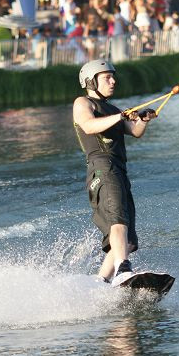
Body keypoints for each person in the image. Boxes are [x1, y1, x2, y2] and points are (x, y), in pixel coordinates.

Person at [72, 60, 157, 285]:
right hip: (102, 168)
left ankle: (100, 282)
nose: (113, 81)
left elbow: (134, 131)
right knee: (118, 222)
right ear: (91, 81)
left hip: (118, 170)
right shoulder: (83, 102)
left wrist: (143, 120)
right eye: (107, 77)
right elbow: (89, 126)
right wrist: (120, 117)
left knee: (127, 240)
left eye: (113, 76)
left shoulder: (113, 109)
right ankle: (123, 270)